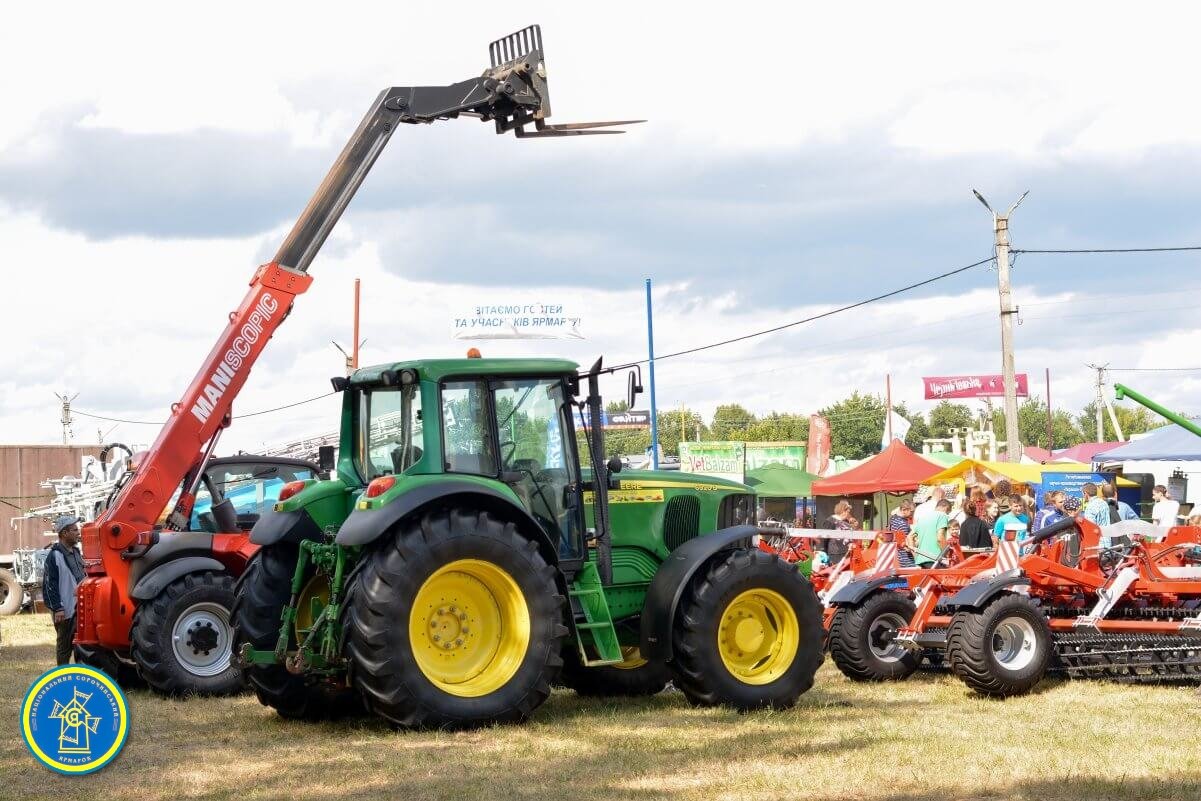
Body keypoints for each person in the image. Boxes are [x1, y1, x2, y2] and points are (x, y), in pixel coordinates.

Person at [43, 515, 85, 666]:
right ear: (64, 533)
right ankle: (62, 676)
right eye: (74, 530)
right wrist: (58, 608)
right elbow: (49, 586)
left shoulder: (76, 552)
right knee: (64, 647)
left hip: (79, 607)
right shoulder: (54, 556)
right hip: (65, 610)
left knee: (81, 645)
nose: (78, 533)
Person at [909, 498, 950, 567]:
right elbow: (940, 538)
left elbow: (910, 537)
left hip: (921, 560)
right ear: (946, 508)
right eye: (948, 512)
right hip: (935, 559)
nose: (947, 514)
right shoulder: (942, 515)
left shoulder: (922, 517)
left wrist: (915, 555)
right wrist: (946, 555)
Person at [816, 500, 857, 567]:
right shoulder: (830, 521)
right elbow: (825, 538)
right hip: (835, 554)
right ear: (843, 511)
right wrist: (824, 551)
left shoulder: (845, 521)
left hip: (846, 552)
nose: (847, 514)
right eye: (847, 512)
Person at [887, 500, 917, 567]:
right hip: (907, 560)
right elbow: (907, 546)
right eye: (911, 511)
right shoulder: (903, 524)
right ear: (904, 510)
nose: (913, 514)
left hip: (898, 557)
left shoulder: (893, 518)